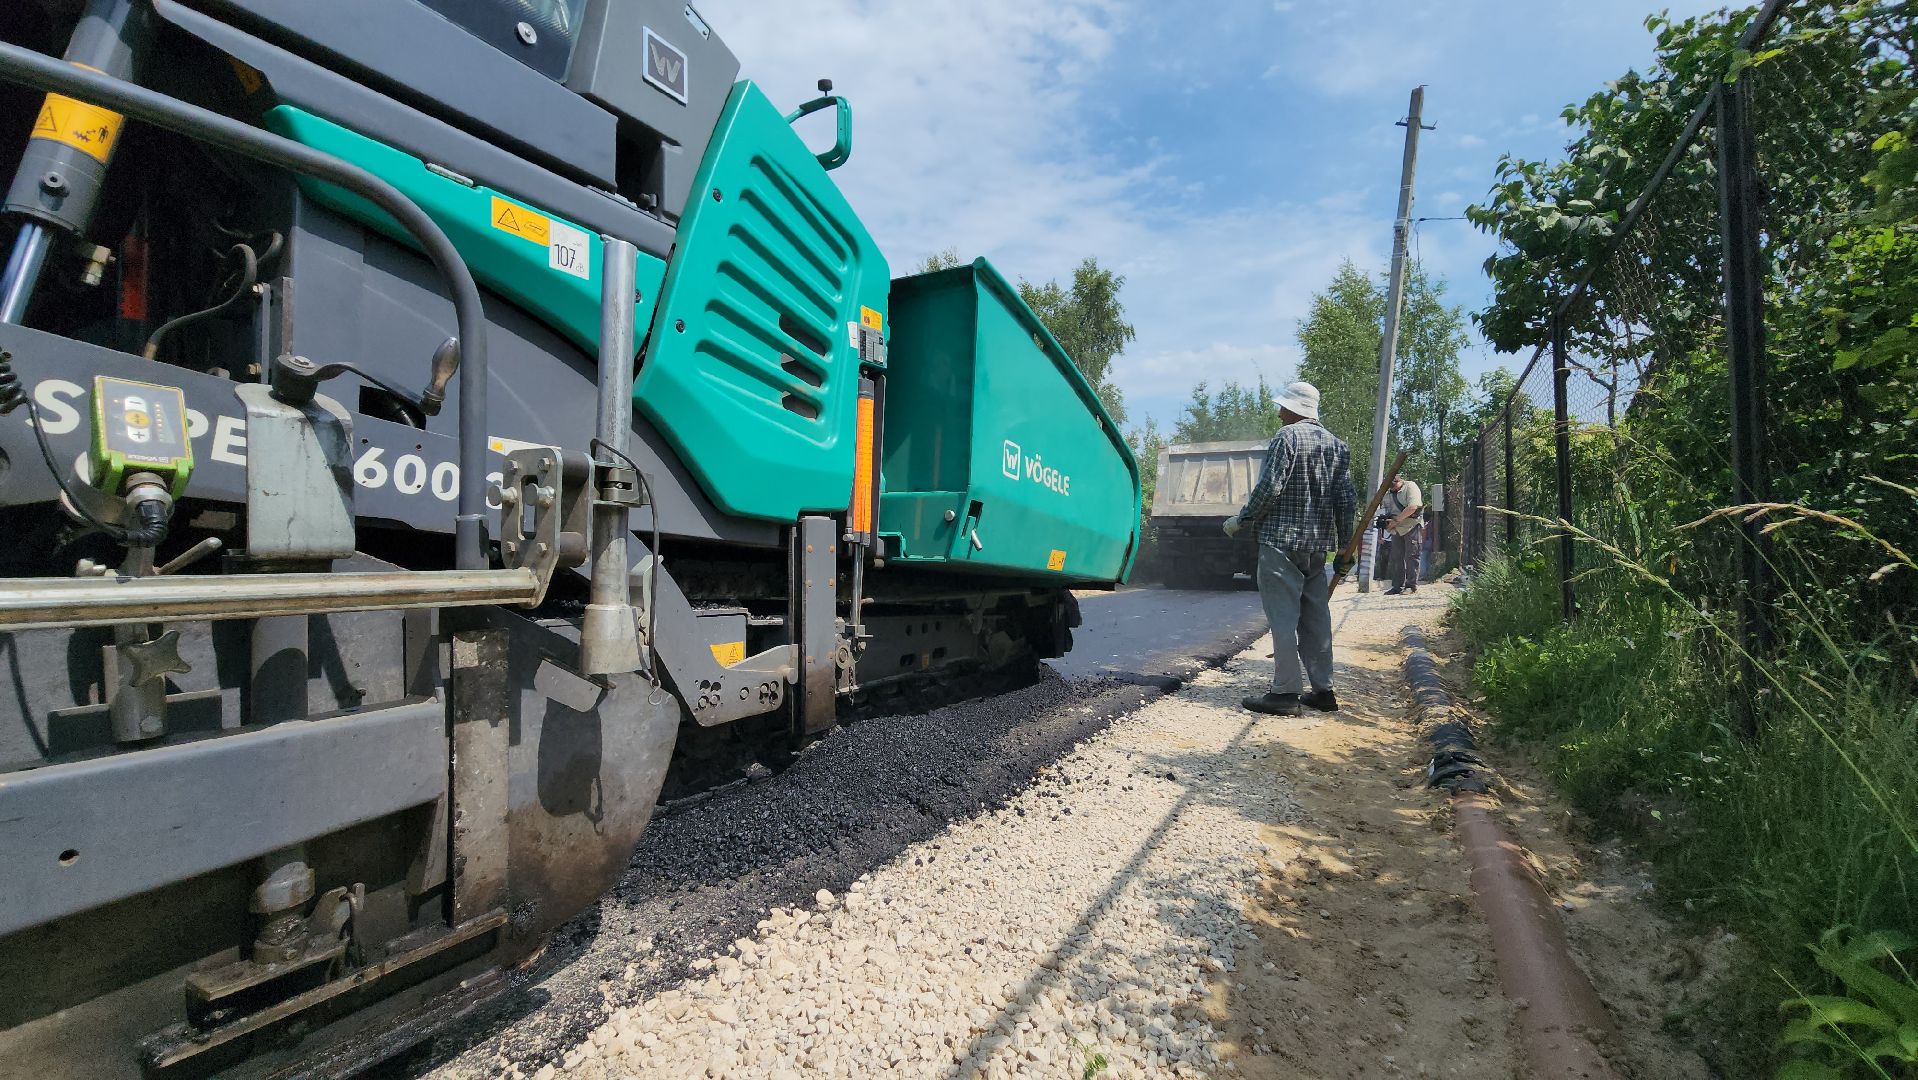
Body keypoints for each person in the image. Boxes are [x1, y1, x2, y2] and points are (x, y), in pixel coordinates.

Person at [1222, 381, 1356, 716]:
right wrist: (1344, 547)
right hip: (1316, 548)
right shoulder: (1338, 447)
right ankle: (1323, 691)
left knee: (1283, 618)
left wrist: (1242, 519)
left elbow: (1270, 486)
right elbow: (1346, 501)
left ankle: (1284, 694)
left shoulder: (1287, 438)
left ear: (1295, 408)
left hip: (1281, 543)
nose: (1279, 412)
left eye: (1283, 407)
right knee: (1316, 618)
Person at [1380, 473, 1424, 595]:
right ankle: (1397, 585)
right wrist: (1386, 521)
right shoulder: (1388, 493)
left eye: (1393, 485)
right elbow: (1386, 510)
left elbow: (1413, 507)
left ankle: (1411, 585)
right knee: (1397, 558)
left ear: (1398, 481)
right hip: (1396, 528)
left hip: (1411, 525)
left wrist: (1395, 521)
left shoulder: (1410, 487)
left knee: (1412, 555)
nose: (1392, 488)